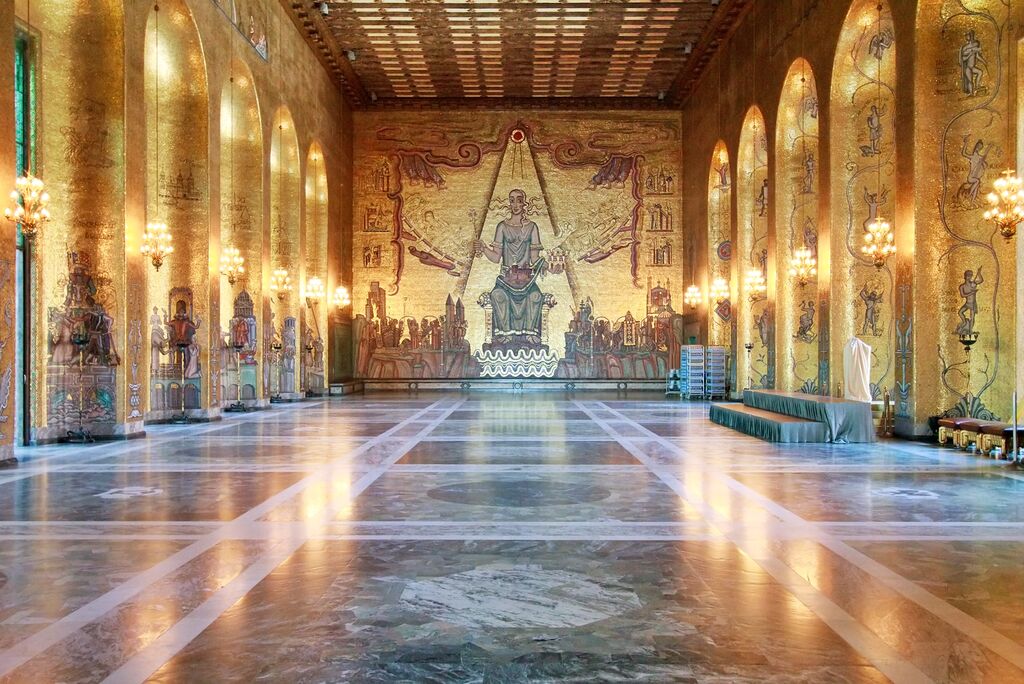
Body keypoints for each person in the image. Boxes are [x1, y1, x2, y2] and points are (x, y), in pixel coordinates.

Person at [472, 189, 563, 347]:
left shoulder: (532, 227)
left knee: (535, 297)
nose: (515, 204)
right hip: (506, 281)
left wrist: (550, 268)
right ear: (509, 203)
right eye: (512, 200)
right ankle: (505, 334)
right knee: (498, 296)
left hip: (526, 280)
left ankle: (530, 334)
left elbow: (535, 258)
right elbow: (495, 257)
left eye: (519, 200)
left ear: (524, 203)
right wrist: (483, 247)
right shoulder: (502, 226)